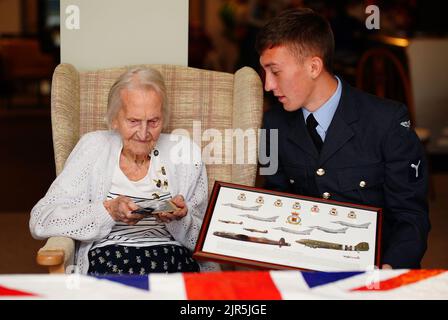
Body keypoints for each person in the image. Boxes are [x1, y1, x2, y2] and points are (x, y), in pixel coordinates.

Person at [256, 8, 430, 269]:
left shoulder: (388, 121)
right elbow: (275, 199)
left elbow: (410, 216)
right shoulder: (271, 125)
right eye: (264, 72)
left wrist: (389, 269)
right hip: (305, 267)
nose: (267, 85)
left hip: (376, 271)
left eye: (275, 71)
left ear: (314, 66)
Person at [30, 67, 218, 275]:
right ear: (114, 119)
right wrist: (108, 211)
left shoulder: (185, 151)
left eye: (153, 121)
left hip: (172, 260)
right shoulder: (93, 147)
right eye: (134, 121)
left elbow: (206, 240)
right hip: (110, 259)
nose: (144, 133)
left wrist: (182, 218)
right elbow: (41, 219)